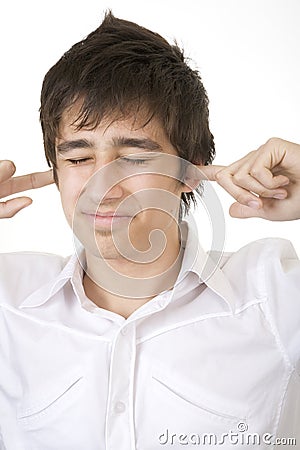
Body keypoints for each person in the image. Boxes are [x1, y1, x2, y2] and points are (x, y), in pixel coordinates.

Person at [0, 11, 299, 450]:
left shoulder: (273, 293)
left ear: (192, 172)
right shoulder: (8, 301)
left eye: (135, 157)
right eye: (79, 158)